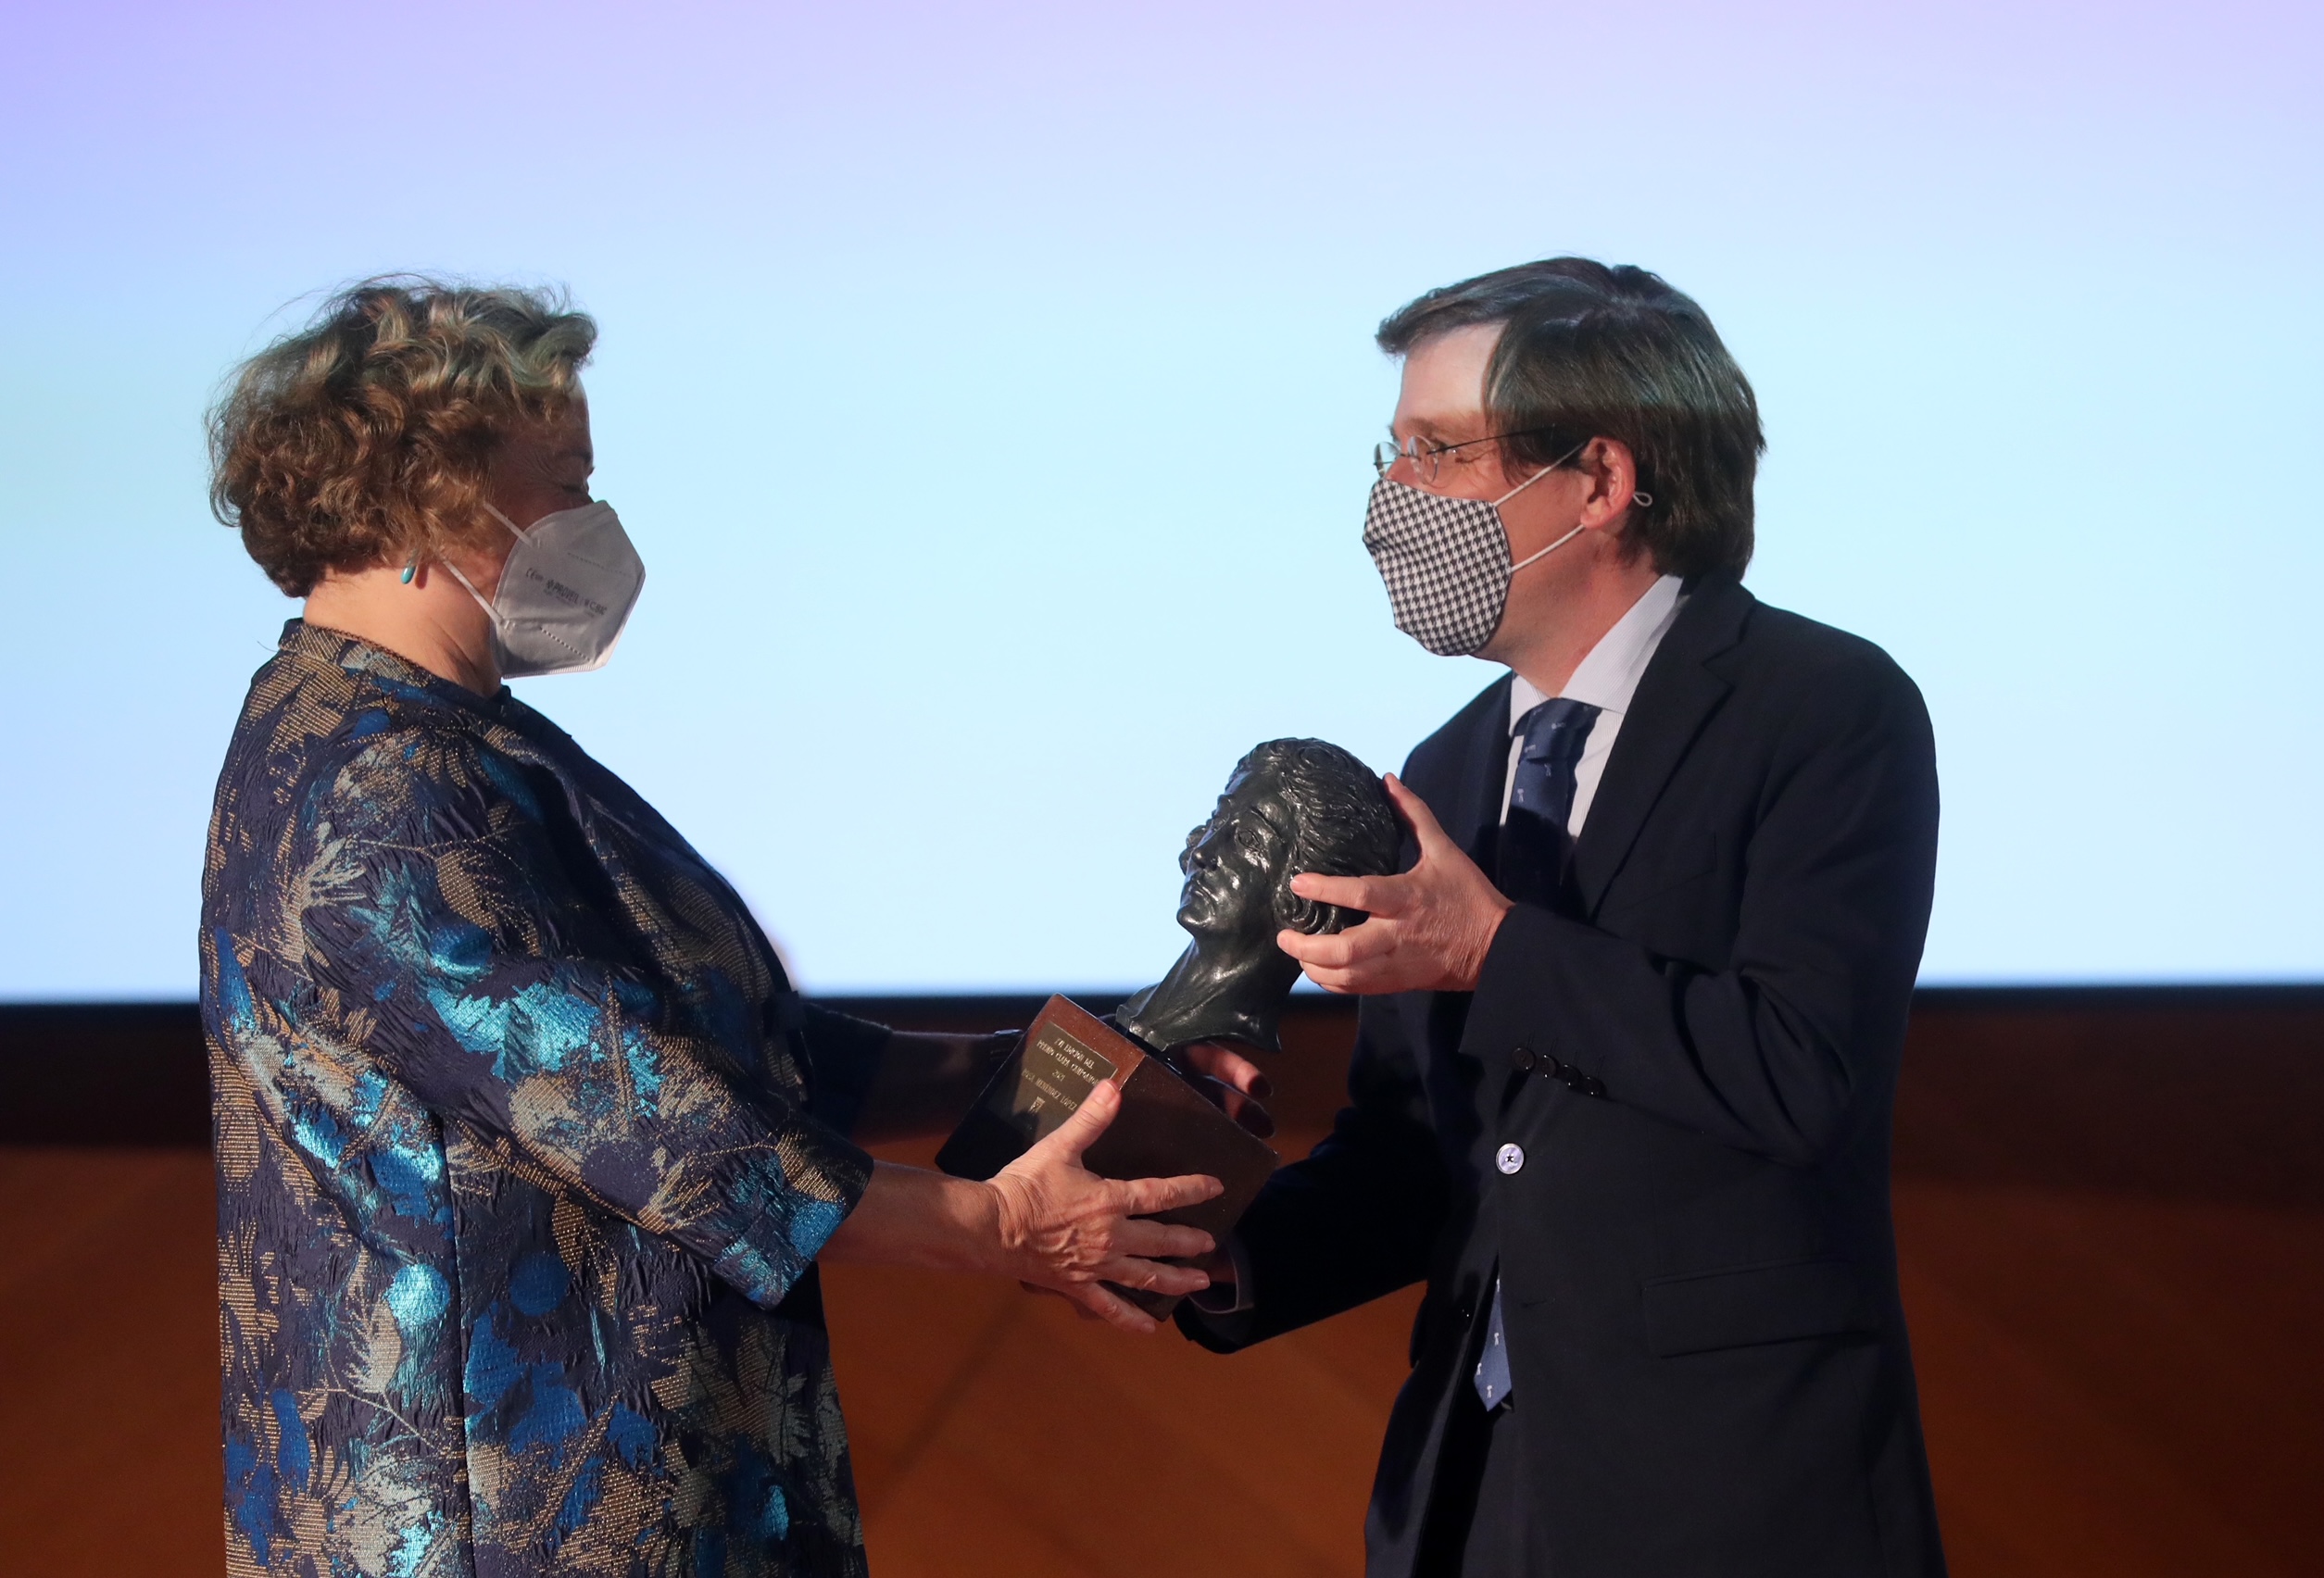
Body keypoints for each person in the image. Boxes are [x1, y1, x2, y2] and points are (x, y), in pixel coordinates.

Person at [199, 278, 1229, 1578]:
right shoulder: (381, 784)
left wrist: (1043, 1066)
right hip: (501, 1518)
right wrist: (996, 1229)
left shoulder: (439, 736)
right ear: (431, 497)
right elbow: (640, 1110)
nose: (594, 521)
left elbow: (723, 1042)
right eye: (567, 481)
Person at [1177, 259, 1947, 1577]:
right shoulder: (1452, 764)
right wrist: (1203, 1253)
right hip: (1472, 1498)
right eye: (1389, 452)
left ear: (1597, 481)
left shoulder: (1822, 707)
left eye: (1434, 452)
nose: (1386, 505)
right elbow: (1425, 1159)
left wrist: (1492, 949)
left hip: (1736, 1496)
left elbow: (1801, 1073)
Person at [1118, 737, 1403, 1057]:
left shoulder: (1242, 1048)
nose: (1203, 852)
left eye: (1247, 839)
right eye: (1217, 820)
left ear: (1305, 902)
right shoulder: (1142, 1009)